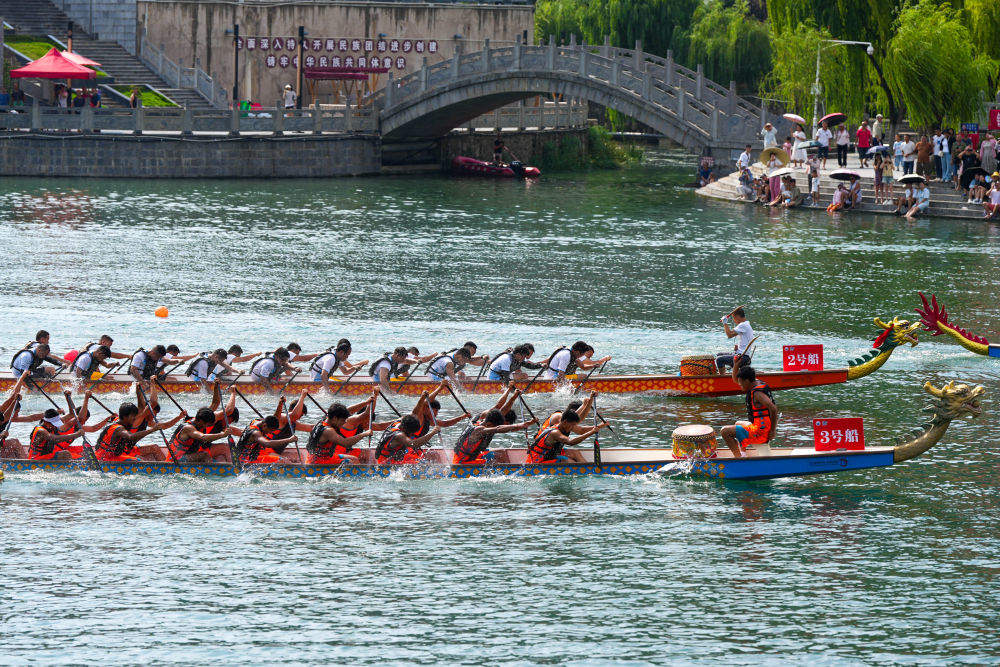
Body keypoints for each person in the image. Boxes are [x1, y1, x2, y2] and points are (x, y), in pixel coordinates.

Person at [720, 364, 777, 458]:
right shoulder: (756, 382)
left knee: (725, 431)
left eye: (741, 384)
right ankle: (743, 453)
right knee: (738, 423)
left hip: (760, 433)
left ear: (746, 381)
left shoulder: (758, 394)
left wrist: (773, 431)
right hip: (760, 426)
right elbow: (736, 379)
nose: (740, 386)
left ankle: (738, 459)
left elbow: (773, 409)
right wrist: (736, 364)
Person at [453, 407, 537, 465]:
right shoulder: (479, 430)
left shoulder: (482, 422)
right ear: (489, 424)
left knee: (501, 452)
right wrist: (520, 425)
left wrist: (527, 424)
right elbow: (498, 428)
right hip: (462, 462)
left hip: (471, 457)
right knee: (493, 463)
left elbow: (505, 426)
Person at [94, 402, 170, 461]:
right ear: (125, 416)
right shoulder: (118, 429)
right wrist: (152, 430)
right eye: (133, 416)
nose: (134, 418)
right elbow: (131, 437)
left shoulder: (117, 420)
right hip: (106, 459)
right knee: (139, 461)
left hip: (107, 455)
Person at [305, 402, 376, 465]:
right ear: (335, 418)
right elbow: (346, 443)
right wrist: (364, 434)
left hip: (321, 457)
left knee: (354, 459)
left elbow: (348, 410)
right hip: (319, 462)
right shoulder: (328, 431)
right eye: (343, 420)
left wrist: (366, 402)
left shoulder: (324, 420)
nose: (345, 422)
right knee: (350, 462)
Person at [526, 409, 606, 464]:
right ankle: (585, 472)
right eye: (572, 425)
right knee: (568, 461)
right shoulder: (555, 433)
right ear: (564, 422)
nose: (573, 428)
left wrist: (599, 426)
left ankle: (589, 470)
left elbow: (581, 430)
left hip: (550, 455)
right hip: (537, 461)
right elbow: (570, 442)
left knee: (575, 453)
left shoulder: (562, 426)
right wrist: (591, 432)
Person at [167, 407, 236, 462]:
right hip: (176, 459)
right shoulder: (188, 428)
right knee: (205, 455)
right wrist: (222, 435)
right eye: (207, 425)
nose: (206, 427)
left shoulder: (199, 422)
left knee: (218, 456)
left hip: (187, 456)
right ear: (201, 421)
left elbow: (215, 403)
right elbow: (203, 437)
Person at [374, 414, 440, 464]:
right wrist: (432, 433)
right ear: (404, 429)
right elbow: (413, 444)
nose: (411, 435)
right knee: (423, 462)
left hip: (395, 456)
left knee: (433, 454)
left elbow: (411, 415)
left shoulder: (398, 422)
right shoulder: (399, 436)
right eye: (411, 433)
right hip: (386, 463)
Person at [716, 307, 754, 372]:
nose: (734, 320)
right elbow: (732, 334)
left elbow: (729, 335)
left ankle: (722, 376)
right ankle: (725, 373)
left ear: (737, 316)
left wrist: (725, 323)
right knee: (718, 354)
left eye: (733, 318)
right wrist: (738, 348)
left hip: (743, 357)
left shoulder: (743, 325)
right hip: (741, 355)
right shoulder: (746, 324)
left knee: (719, 360)